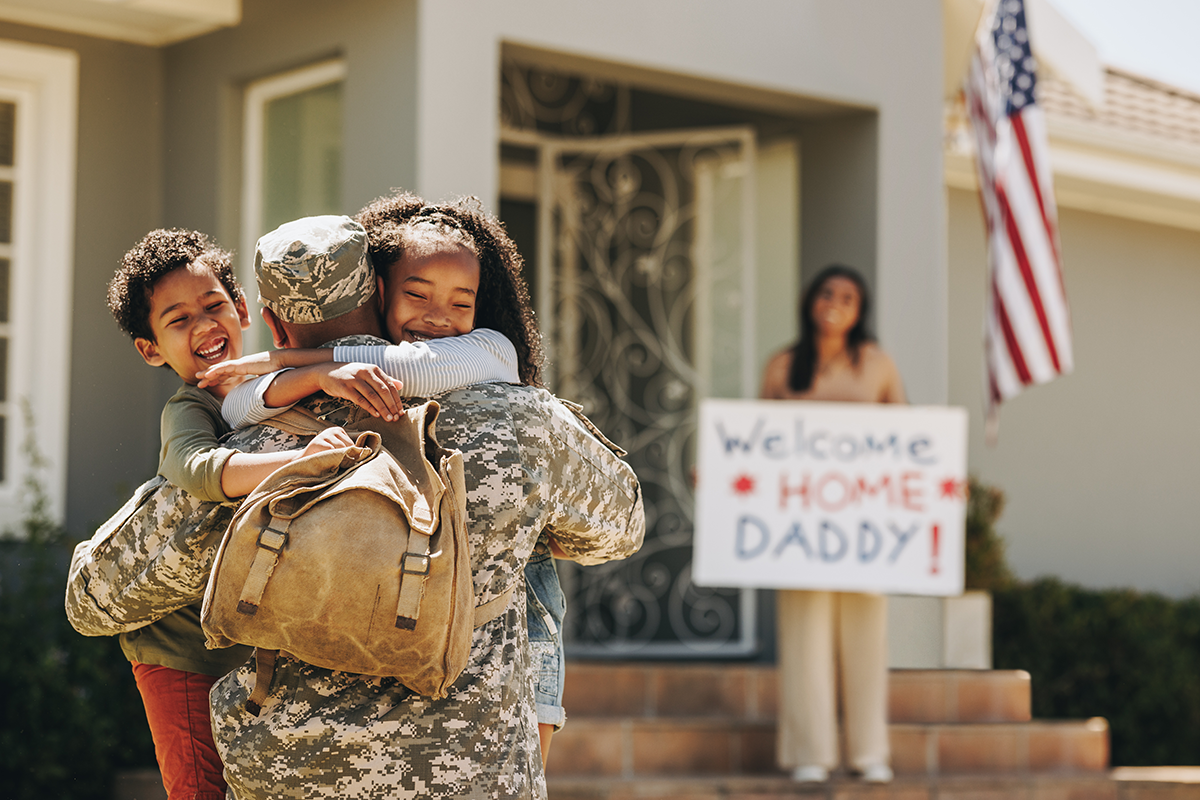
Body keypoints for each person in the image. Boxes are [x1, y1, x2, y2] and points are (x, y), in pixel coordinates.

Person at [207, 211, 644, 798]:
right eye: (418, 294)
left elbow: (101, 595)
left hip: (291, 766)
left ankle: (543, 715)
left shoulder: (481, 353)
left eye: (461, 302)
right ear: (380, 291)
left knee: (540, 602)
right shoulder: (527, 422)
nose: (439, 316)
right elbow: (622, 527)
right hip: (472, 768)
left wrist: (300, 366)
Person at [104, 227, 530, 800]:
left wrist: (299, 367)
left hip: (240, 626)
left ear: (248, 311)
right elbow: (195, 465)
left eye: (213, 306)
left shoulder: (269, 380)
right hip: (179, 649)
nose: (205, 326)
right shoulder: (196, 404)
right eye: (178, 321)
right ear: (150, 348)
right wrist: (297, 462)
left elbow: (466, 358)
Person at [760, 263, 906, 784]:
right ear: (811, 300)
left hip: (864, 529)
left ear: (860, 309)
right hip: (799, 528)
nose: (836, 301)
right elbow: (755, 440)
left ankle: (870, 753)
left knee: (868, 636)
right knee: (804, 637)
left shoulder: (877, 365)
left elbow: (909, 441)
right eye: (827, 292)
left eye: (848, 295)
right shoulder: (782, 366)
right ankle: (810, 753)